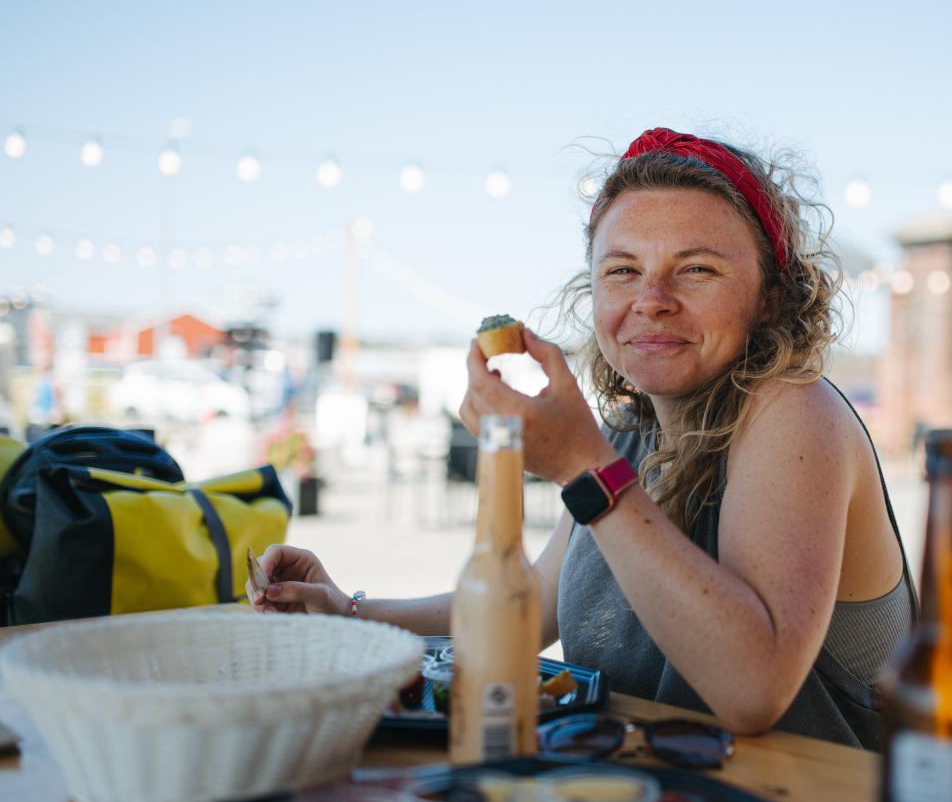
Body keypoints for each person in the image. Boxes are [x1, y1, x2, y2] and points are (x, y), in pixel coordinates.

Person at [250, 127, 916, 748]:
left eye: (696, 270)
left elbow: (753, 689)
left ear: (770, 297)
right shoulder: (632, 432)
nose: (651, 298)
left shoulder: (794, 410)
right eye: (622, 270)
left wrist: (580, 465)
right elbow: (533, 605)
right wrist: (351, 613)